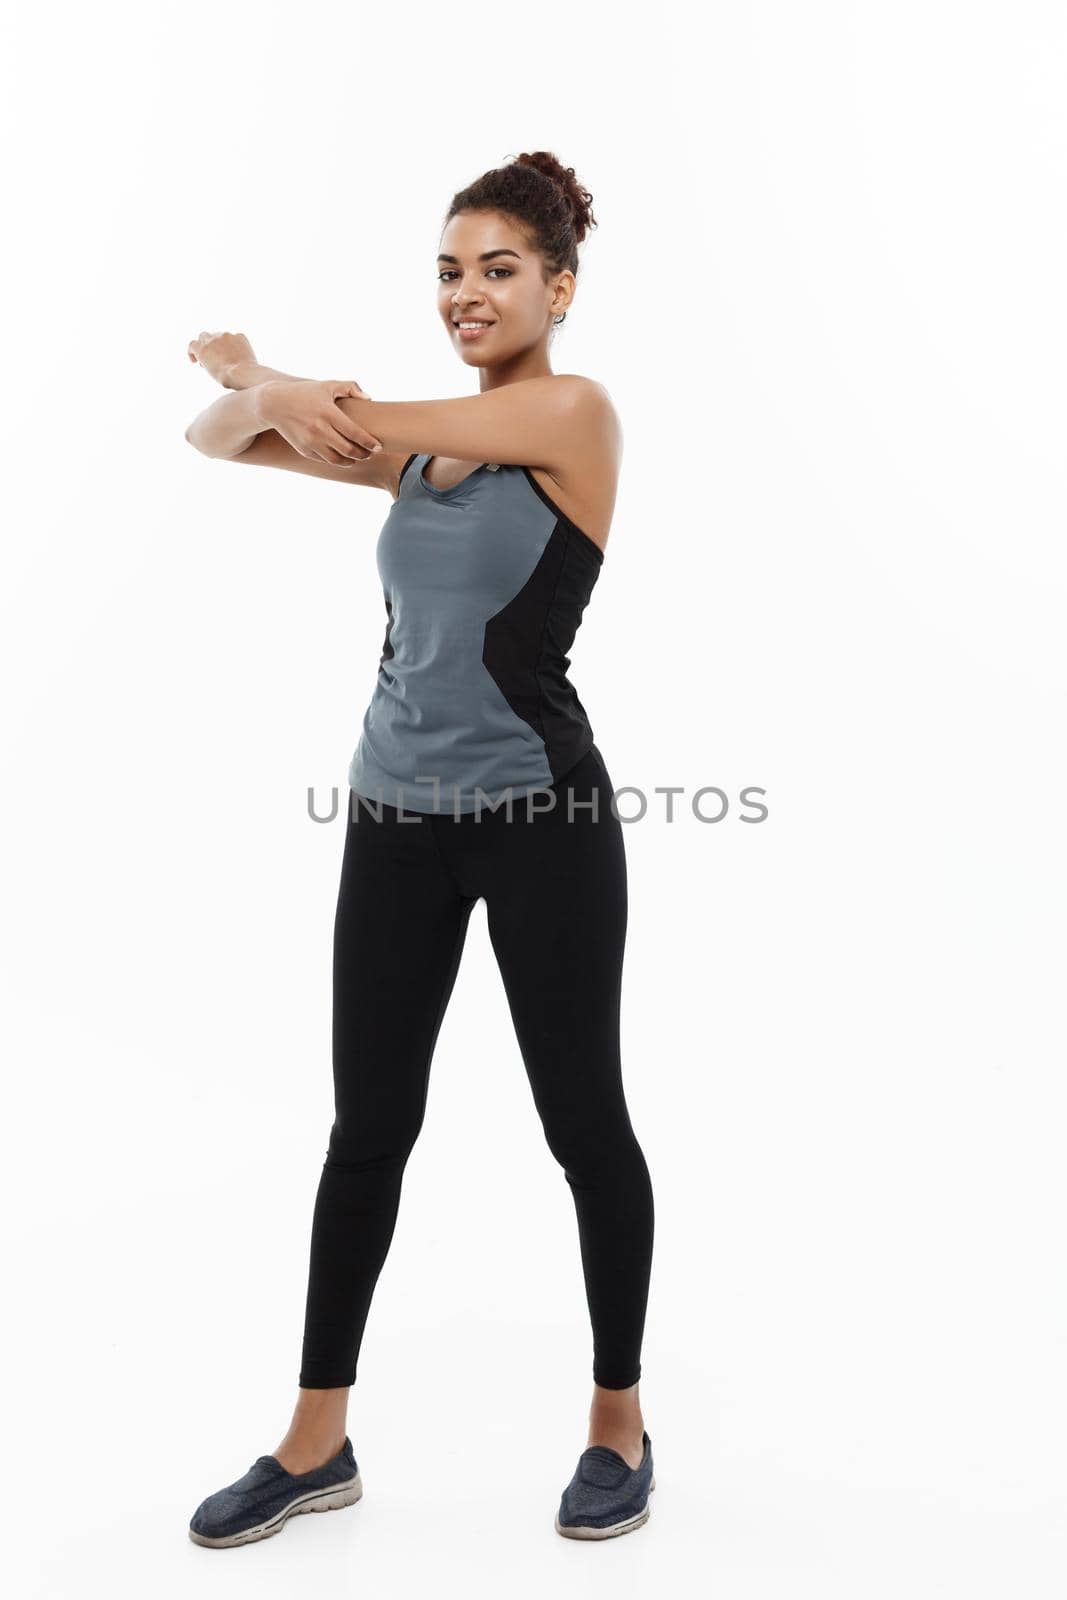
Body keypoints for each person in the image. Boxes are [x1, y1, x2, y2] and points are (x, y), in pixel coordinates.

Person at [183, 151, 656, 1545]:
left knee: (584, 1124)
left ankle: (618, 1421)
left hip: (540, 819)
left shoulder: (572, 413)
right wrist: (258, 393)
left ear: (559, 286)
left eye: (500, 269)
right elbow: (214, 443)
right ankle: (315, 1439)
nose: (468, 293)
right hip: (394, 815)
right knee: (367, 1132)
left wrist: (258, 370)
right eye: (450, 270)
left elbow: (294, 409)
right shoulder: (427, 448)